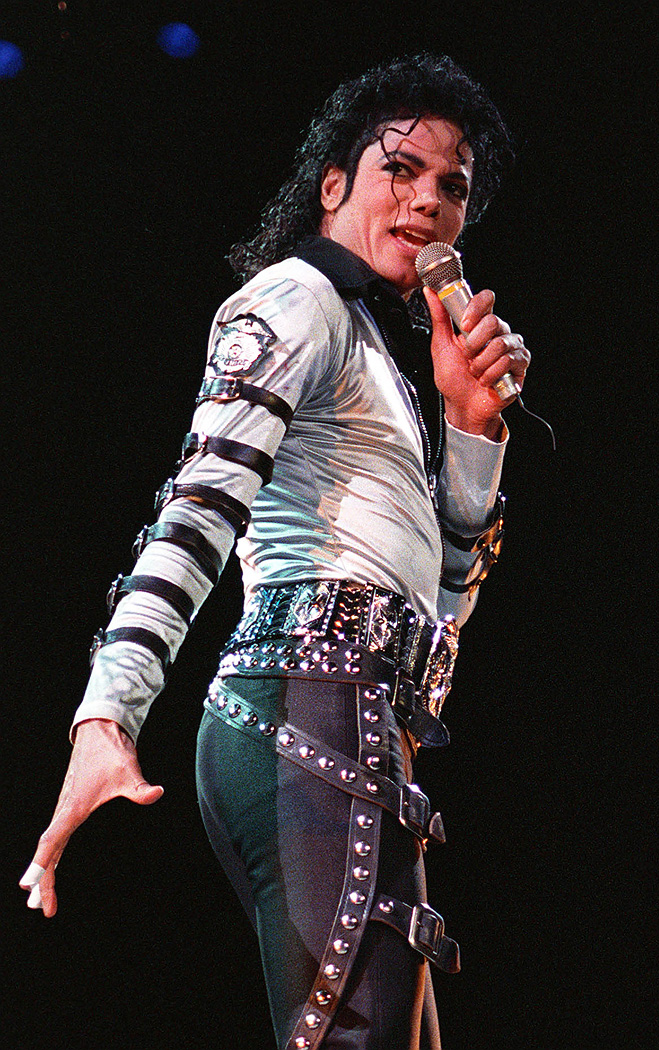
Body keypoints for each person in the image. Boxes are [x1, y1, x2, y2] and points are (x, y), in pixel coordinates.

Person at [21, 53, 530, 1049]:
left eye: (451, 184)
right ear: (331, 186)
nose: (427, 199)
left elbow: (439, 621)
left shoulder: (378, 357)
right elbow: (198, 505)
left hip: (361, 721)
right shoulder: (297, 298)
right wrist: (109, 709)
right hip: (309, 706)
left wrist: (472, 432)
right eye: (399, 169)